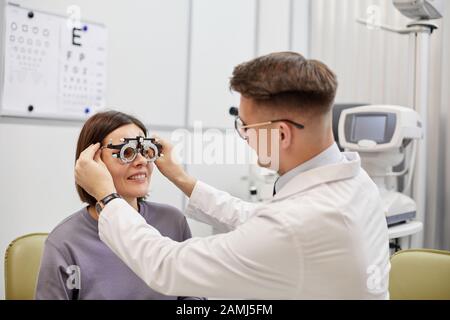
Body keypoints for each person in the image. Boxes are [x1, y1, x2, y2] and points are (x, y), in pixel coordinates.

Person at [75, 52, 390, 299]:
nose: (244, 137)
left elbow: (166, 266)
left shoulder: (299, 223)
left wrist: (108, 198)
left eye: (246, 127)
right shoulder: (356, 183)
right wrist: (182, 179)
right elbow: (255, 217)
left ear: (281, 135)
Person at [36, 111, 200, 300]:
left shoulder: (172, 222)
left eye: (145, 150)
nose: (141, 161)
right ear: (93, 163)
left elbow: (193, 298)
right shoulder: (65, 242)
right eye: (126, 152)